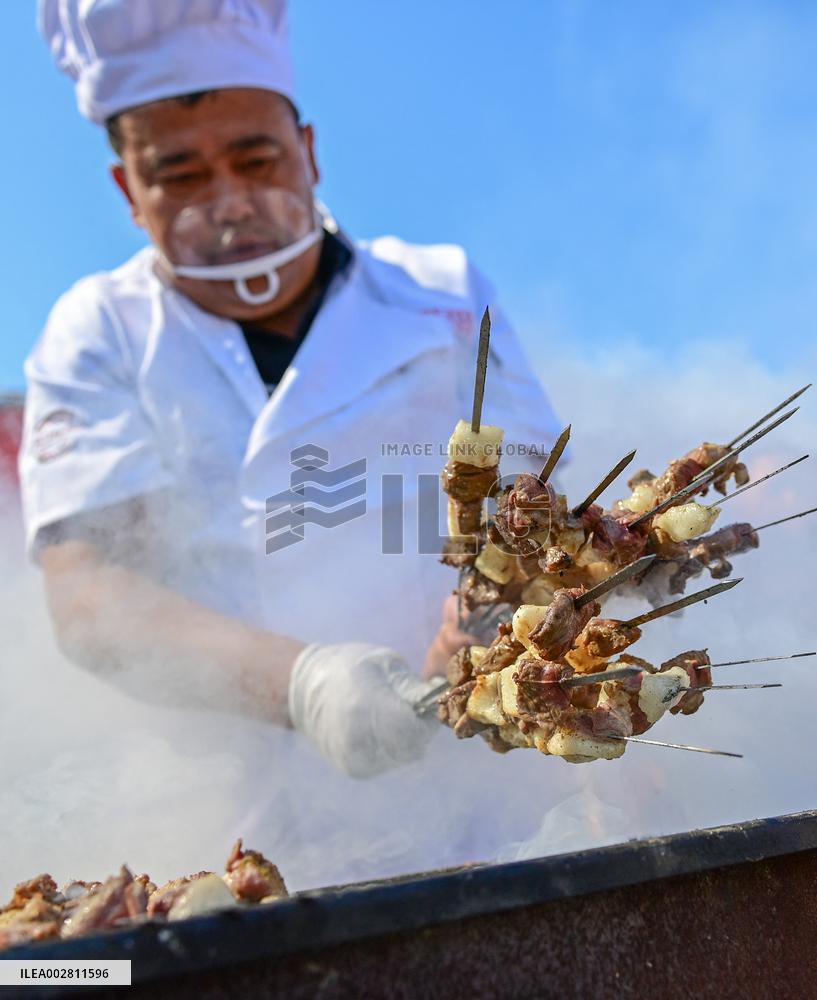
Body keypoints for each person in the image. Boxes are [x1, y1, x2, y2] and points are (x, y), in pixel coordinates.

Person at [22, 0, 561, 780]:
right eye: (179, 175)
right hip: (239, 792)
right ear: (127, 190)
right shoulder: (98, 332)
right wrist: (304, 685)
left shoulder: (440, 290)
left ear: (308, 153)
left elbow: (529, 497)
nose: (231, 202)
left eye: (257, 160)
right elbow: (92, 599)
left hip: (471, 764)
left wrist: (478, 616)